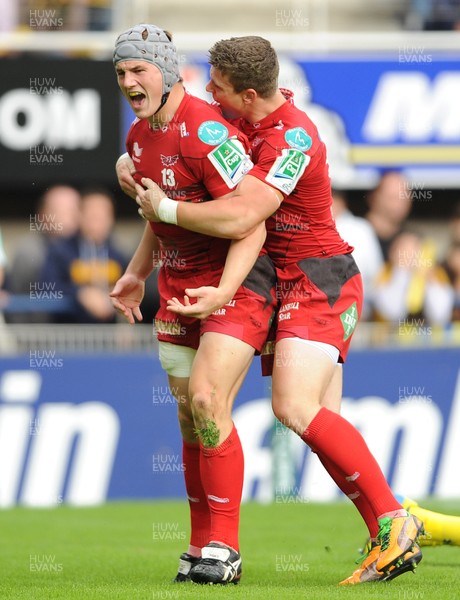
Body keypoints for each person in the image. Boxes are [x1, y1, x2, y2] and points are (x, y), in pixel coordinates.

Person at [129, 36, 424, 585]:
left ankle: (394, 519)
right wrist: (132, 159)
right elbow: (177, 131)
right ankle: (391, 526)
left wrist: (164, 206)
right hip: (279, 283)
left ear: (246, 94)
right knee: (317, 422)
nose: (207, 93)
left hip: (319, 279)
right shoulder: (240, 114)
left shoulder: (295, 138)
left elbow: (247, 213)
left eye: (216, 86)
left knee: (293, 407)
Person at [110, 24, 275, 586]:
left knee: (206, 399)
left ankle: (224, 551)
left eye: (139, 70)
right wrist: (136, 274)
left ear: (168, 68)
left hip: (235, 285)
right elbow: (162, 217)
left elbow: (249, 219)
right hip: (178, 292)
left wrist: (227, 292)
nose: (129, 82)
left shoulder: (205, 128)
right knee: (188, 417)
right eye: (121, 74)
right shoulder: (138, 138)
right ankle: (199, 544)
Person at [41, 187, 128, 323]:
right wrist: (80, 293)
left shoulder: (119, 255)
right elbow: (47, 287)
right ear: (79, 216)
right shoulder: (60, 251)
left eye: (102, 215)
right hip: (68, 333)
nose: (96, 221)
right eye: (92, 214)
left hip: (108, 336)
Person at [6, 184, 81, 323]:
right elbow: (15, 301)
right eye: (58, 211)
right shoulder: (28, 252)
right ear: (42, 213)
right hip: (39, 335)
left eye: (72, 211)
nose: (67, 218)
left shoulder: (88, 247)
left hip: (79, 336)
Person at [372, 230, 454, 327]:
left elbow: (439, 316)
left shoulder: (436, 274)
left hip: (427, 337)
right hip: (389, 337)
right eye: (403, 248)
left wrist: (425, 276)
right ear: (392, 251)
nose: (409, 254)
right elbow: (392, 313)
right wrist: (401, 272)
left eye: (414, 248)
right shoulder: (384, 273)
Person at [332, 189, 384, 319]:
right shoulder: (310, 227)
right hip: (322, 310)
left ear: (341, 202)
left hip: (358, 310)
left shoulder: (361, 228)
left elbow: (376, 273)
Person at [365, 171, 413, 261]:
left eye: (404, 197)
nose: (399, 204)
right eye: (392, 197)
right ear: (374, 197)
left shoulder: (413, 239)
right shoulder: (355, 235)